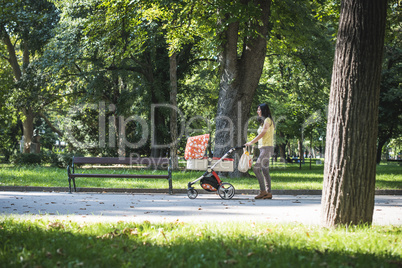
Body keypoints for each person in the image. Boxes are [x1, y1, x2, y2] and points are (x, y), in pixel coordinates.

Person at [245, 103, 275, 199]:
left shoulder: (267, 120)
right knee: (265, 171)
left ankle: (263, 191)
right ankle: (268, 192)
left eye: (259, 109)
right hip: (264, 148)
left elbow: (262, 133)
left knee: (256, 168)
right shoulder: (264, 121)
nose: (257, 111)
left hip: (267, 148)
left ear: (263, 110)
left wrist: (251, 142)